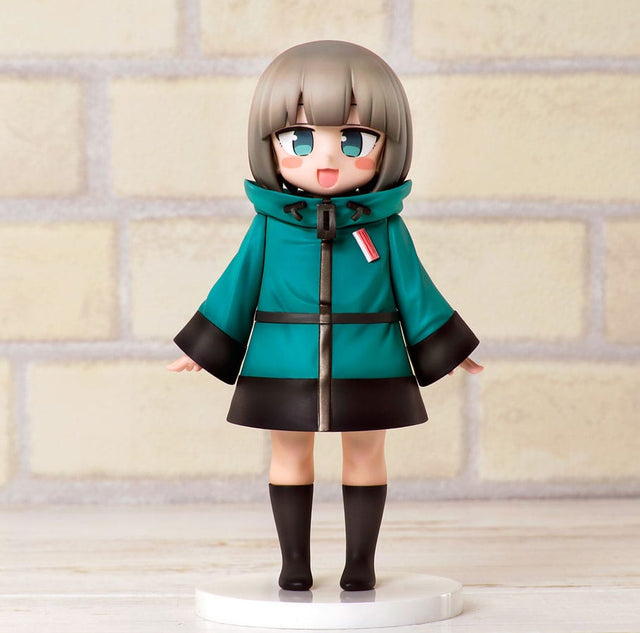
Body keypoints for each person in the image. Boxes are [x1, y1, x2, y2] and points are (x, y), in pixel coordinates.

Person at [168, 40, 483, 592]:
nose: (328, 159)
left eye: (355, 139)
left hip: (371, 359)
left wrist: (446, 345)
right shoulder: (270, 225)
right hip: (282, 359)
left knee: (367, 451)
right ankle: (294, 563)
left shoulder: (385, 227)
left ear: (390, 146)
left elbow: (416, 291)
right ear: (269, 143)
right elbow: (236, 285)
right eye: (301, 139)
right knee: (289, 452)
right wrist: (205, 343)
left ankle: (361, 563)